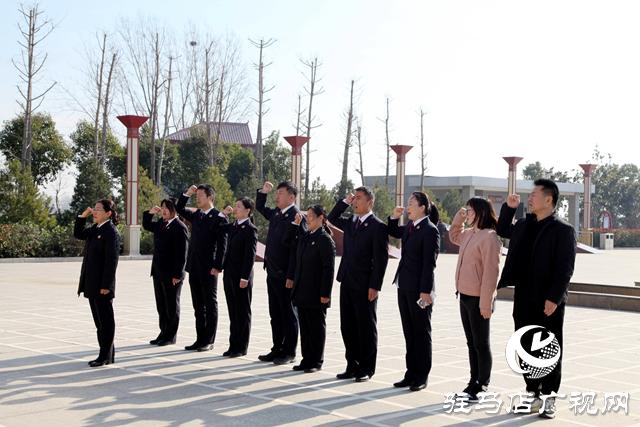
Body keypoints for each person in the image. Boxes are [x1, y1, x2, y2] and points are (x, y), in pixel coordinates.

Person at [497, 179, 577, 419]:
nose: (529, 198)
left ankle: (549, 398)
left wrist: (554, 297)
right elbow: (502, 229)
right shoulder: (524, 224)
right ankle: (533, 393)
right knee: (524, 347)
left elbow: (565, 268)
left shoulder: (563, 230)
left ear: (548, 199)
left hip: (547, 302)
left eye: (534, 195)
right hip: (523, 297)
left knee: (548, 349)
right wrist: (509, 208)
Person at [328, 186, 389, 382]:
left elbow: (381, 260)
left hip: (365, 284)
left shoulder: (378, 226)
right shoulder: (351, 221)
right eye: (354, 198)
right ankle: (352, 365)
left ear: (370, 203)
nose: (355, 201)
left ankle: (366, 368)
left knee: (365, 327)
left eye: (359, 198)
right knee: (348, 326)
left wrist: (375, 285)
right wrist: (344, 202)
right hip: (347, 279)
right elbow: (332, 218)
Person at [448, 197, 502, 401]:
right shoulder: (469, 234)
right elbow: (454, 235)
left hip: (479, 299)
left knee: (481, 344)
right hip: (464, 295)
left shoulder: (490, 237)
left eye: (470, 210)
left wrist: (486, 303)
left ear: (481, 213)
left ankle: (482, 384)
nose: (467, 213)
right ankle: (473, 381)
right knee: (471, 343)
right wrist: (459, 218)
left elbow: (491, 273)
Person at [387, 192, 440, 391]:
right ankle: (410, 373)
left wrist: (425, 291)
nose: (407, 207)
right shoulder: (410, 226)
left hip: (420, 291)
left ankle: (421, 376)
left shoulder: (430, 230)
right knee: (409, 333)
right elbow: (393, 231)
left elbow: (429, 264)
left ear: (422, 208)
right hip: (404, 286)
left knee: (421, 333)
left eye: (411, 204)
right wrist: (394, 216)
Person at [256, 181, 306, 365]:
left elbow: (297, 250)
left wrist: (292, 276)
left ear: (292, 197)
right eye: (276, 193)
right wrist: (263, 192)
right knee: (275, 313)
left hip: (286, 275)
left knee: (289, 314)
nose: (277, 196)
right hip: (272, 272)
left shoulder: (297, 217)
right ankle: (277, 348)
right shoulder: (277, 213)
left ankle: (289, 351)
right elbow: (260, 207)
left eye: (281, 193)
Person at [282, 206, 336, 373]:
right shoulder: (306, 236)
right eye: (307, 216)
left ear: (321, 218)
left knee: (316, 329)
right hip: (302, 290)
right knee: (305, 328)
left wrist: (325, 294)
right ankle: (306, 359)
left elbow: (328, 269)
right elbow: (286, 241)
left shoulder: (325, 240)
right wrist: (294, 224)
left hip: (316, 292)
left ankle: (315, 361)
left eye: (311, 216)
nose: (308, 219)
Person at [176, 184, 227, 352]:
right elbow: (179, 208)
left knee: (210, 304)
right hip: (194, 265)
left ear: (210, 197)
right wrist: (187, 194)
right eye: (196, 195)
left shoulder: (219, 216)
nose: (197, 198)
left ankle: (209, 340)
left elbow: (222, 244)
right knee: (198, 305)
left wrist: (218, 266)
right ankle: (199, 338)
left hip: (209, 267)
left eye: (200, 195)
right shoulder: (197, 214)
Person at [74, 199, 121, 367]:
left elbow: (111, 262)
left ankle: (105, 356)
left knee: (105, 322)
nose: (94, 212)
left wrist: (106, 286)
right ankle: (106, 354)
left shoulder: (111, 232)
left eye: (98, 209)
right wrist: (82, 217)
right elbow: (78, 233)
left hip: (102, 285)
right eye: (94, 209)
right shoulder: (95, 229)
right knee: (99, 322)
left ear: (108, 213)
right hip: (91, 282)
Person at [210, 197, 258, 358]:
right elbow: (215, 227)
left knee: (242, 312)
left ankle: (241, 346)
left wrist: (245, 278)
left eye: (239, 206)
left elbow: (249, 257)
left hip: (241, 277)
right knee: (233, 312)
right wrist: (223, 214)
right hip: (229, 274)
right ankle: (233, 345)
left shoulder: (250, 229)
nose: (235, 209)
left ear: (247, 211)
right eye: (235, 206)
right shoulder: (233, 226)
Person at [142, 198, 189, 347]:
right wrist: (150, 213)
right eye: (162, 207)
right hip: (158, 271)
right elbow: (146, 225)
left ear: (174, 210)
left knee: (171, 305)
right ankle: (163, 331)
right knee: (161, 305)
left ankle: (170, 335)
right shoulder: (160, 224)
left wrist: (177, 274)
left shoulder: (179, 227)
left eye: (167, 208)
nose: (163, 210)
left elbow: (182, 254)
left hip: (171, 273)